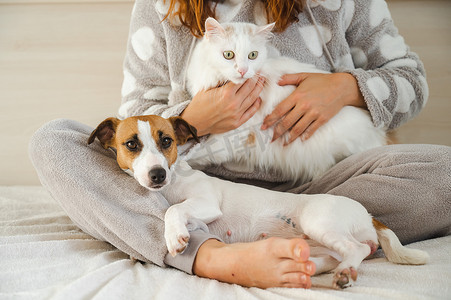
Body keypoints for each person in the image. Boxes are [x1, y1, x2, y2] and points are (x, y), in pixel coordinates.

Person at [29, 0, 451, 289]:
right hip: (198, 192)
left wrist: (345, 88)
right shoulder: (160, 8)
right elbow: (136, 123)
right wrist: (194, 120)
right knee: (53, 142)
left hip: (327, 187)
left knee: (444, 170)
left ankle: (309, 237)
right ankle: (213, 257)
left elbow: (411, 79)